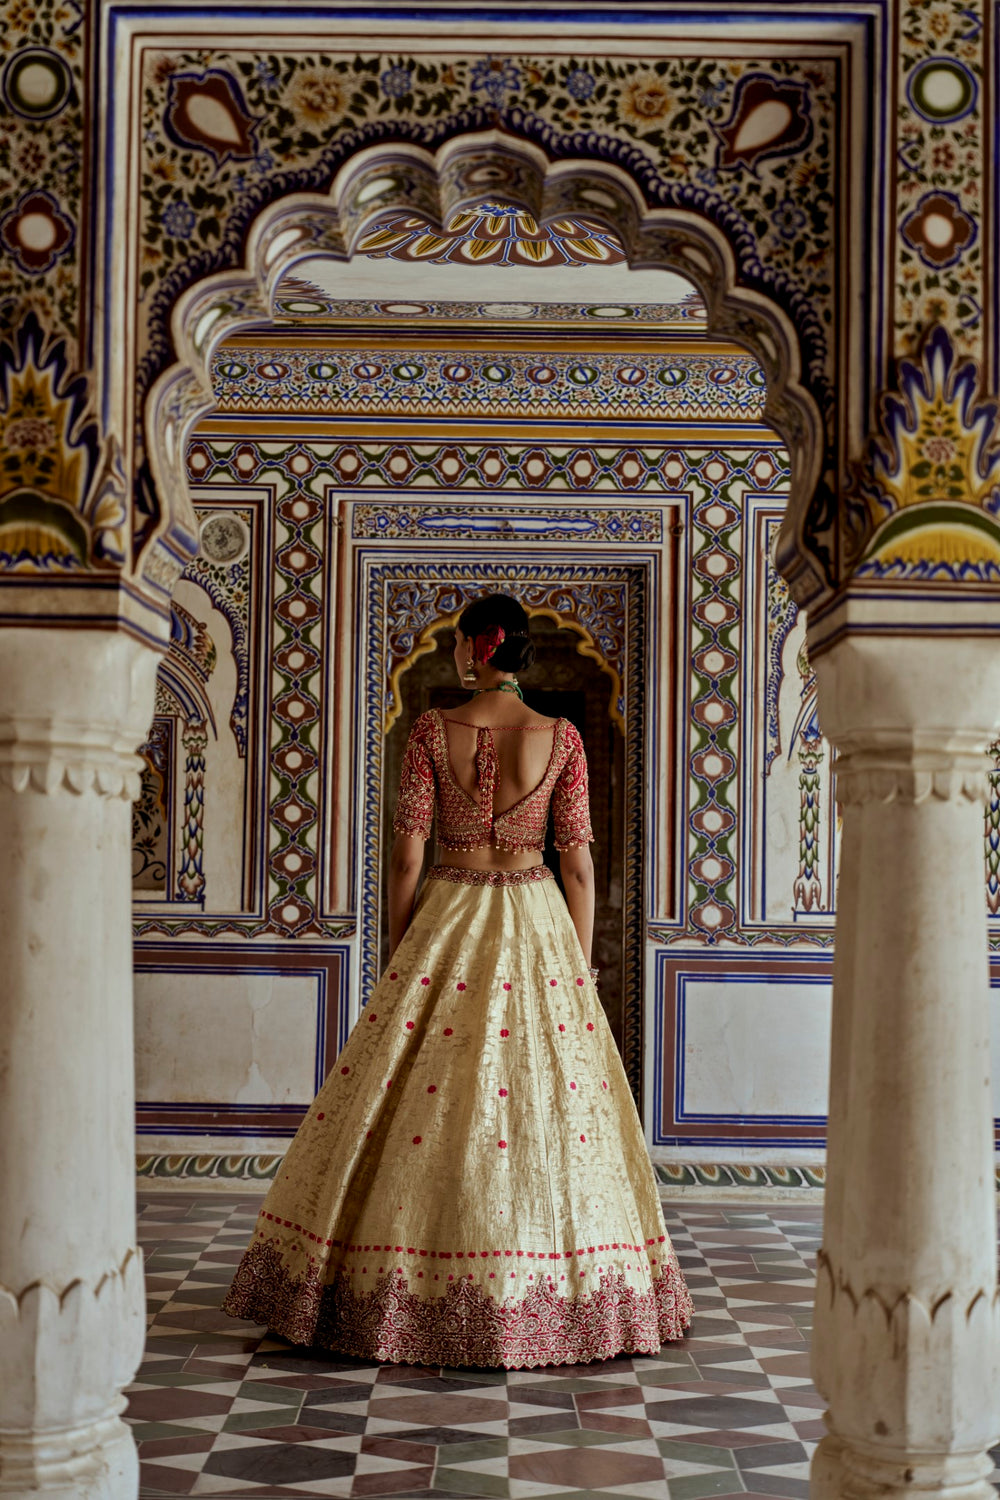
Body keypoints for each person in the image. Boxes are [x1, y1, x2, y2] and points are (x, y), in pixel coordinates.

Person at [222, 592, 692, 1367]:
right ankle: (560, 1301)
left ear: (479, 647)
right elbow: (577, 867)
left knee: (421, 1101)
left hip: (449, 904)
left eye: (460, 645)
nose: (455, 656)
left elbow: (406, 855)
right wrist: (576, 968)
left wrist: (403, 948)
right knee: (545, 1107)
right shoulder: (562, 737)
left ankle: (390, 1293)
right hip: (537, 917)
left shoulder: (431, 730)